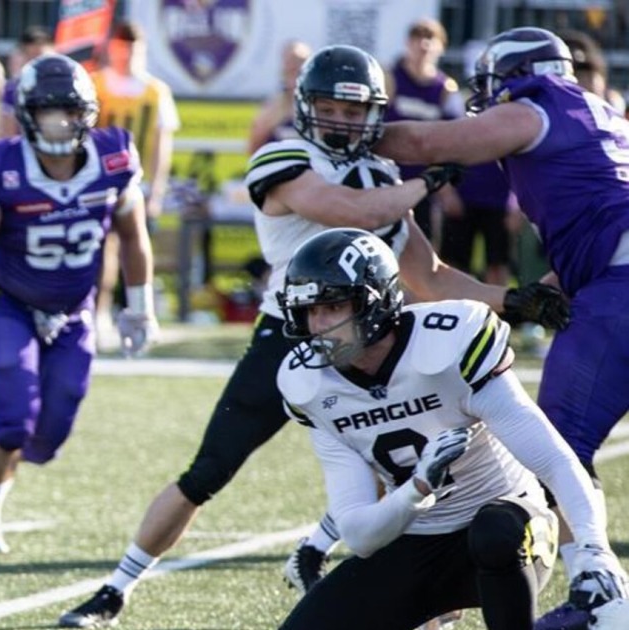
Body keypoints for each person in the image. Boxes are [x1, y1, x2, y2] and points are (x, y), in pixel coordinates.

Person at [58, 44, 570, 628]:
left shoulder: (382, 176)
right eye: (331, 108)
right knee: (210, 469)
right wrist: (422, 184)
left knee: (402, 466)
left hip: (371, 338)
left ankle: (420, 606)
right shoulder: (284, 158)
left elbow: (428, 276)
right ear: (305, 106)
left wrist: (513, 300)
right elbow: (348, 210)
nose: (343, 122)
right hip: (291, 339)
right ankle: (116, 587)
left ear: (374, 114)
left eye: (355, 111)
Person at [372, 26, 629, 630]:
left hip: (619, 291)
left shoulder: (538, 107)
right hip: (608, 280)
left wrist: (351, 130)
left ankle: (600, 594)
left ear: (516, 77)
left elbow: (431, 139)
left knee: (555, 448)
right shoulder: (602, 115)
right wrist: (536, 295)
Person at [273, 227, 629, 630]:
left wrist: (594, 550)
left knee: (493, 531)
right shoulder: (310, 386)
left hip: (514, 532)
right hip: (419, 539)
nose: (318, 324)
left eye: (333, 307)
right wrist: (417, 488)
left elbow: (552, 459)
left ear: (377, 300)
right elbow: (359, 535)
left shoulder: (448, 343)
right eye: (309, 310)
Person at [0, 53, 158, 553]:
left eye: (70, 112)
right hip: (6, 302)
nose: (60, 124)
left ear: (88, 115)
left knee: (46, 439)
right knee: (13, 419)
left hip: (73, 309)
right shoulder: (2, 164)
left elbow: (133, 238)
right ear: (28, 116)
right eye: (48, 113)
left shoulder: (114, 158)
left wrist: (140, 305)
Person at [89, 20, 179, 351]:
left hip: (133, 184)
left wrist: (156, 190)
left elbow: (160, 145)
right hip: (96, 182)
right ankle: (98, 313)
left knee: (134, 248)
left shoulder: (155, 91)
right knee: (100, 251)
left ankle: (137, 313)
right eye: (121, 48)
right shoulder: (95, 84)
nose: (126, 55)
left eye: (131, 49)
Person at [384, 17, 465, 248]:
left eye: (431, 38)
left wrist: (445, 188)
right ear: (407, 42)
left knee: (422, 248)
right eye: (417, 37)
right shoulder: (390, 79)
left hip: (423, 186)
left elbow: (454, 140)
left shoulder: (446, 89)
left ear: (442, 46)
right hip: (387, 179)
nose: (424, 45)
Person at [247, 39, 311, 154]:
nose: (294, 66)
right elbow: (253, 148)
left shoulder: (318, 107)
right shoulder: (272, 109)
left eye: (299, 61)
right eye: (290, 62)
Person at [0, 25, 53, 139]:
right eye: (31, 57)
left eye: (40, 57)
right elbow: (7, 131)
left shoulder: (65, 85)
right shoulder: (13, 88)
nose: (36, 63)